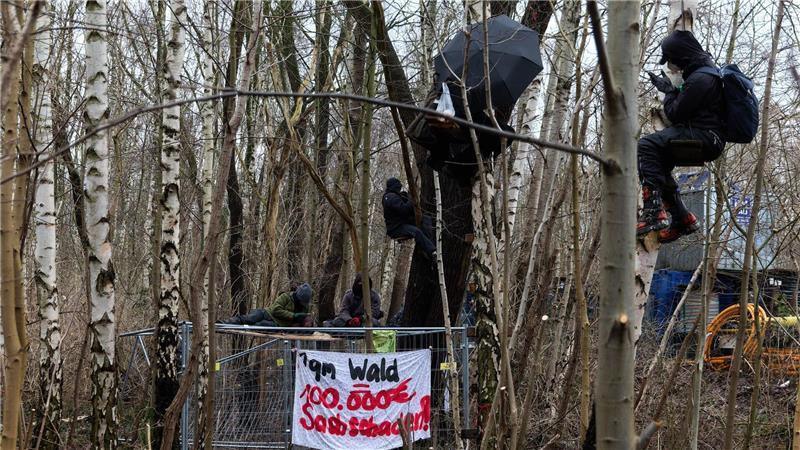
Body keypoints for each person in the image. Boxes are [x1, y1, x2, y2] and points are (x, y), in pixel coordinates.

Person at [639, 30, 726, 243]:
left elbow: (675, 114)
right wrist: (671, 90)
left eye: (671, 59)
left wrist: (669, 92)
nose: (671, 65)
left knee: (645, 146)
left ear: (681, 55)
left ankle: (652, 212)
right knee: (658, 163)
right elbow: (689, 106)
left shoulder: (701, 78)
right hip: (707, 135)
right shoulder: (703, 74)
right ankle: (682, 218)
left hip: (705, 137)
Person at [382, 177, 436, 257]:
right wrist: (411, 200)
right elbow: (404, 210)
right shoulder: (390, 197)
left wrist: (405, 196)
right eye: (398, 187)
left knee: (425, 219)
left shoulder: (394, 196)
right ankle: (432, 251)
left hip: (402, 222)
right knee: (416, 231)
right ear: (395, 187)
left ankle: (429, 245)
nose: (399, 189)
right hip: (395, 228)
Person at [219, 282, 313, 327]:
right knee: (249, 318)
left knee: (257, 326)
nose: (302, 303)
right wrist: (293, 316)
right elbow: (276, 310)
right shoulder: (286, 297)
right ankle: (224, 323)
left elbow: (299, 325)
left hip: (277, 325)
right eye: (301, 300)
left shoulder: (305, 307)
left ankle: (240, 327)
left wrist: (303, 321)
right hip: (267, 313)